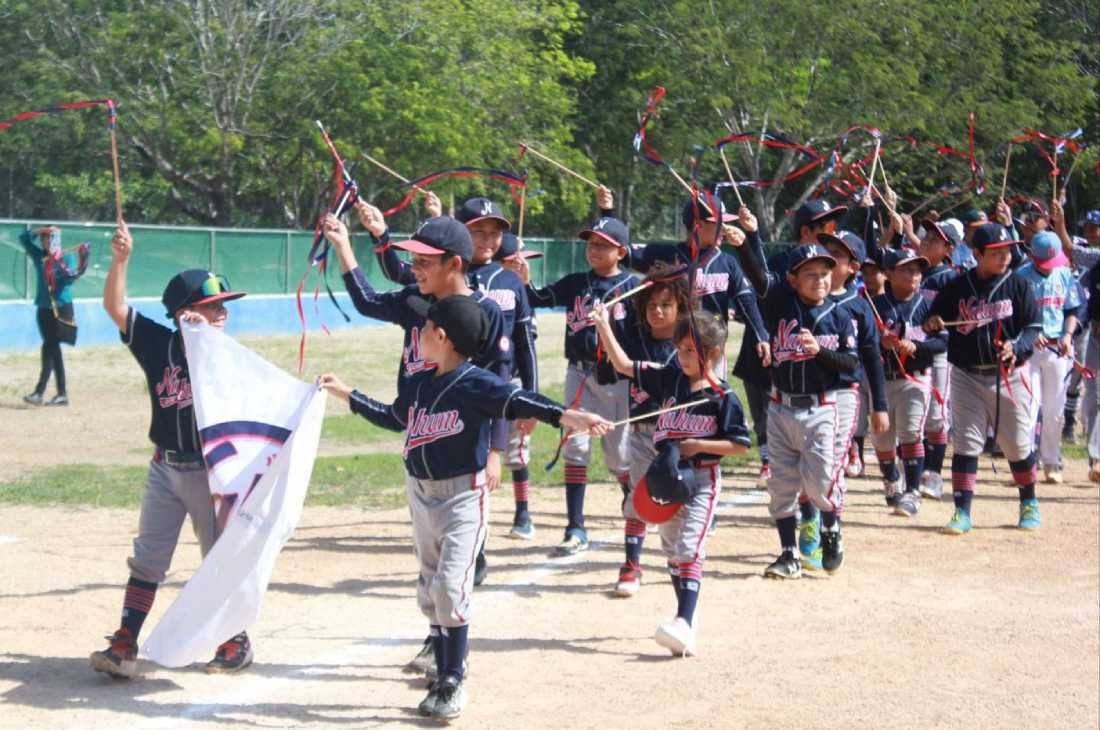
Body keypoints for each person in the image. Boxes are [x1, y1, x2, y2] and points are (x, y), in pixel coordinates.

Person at [318, 294, 610, 720]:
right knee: (430, 584)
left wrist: (568, 416)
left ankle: (453, 678)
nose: (417, 336)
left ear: (441, 336)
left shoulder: (476, 382)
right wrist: (347, 393)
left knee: (451, 585)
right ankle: (441, 661)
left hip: (461, 497)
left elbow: (520, 401)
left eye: (423, 329)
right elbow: (393, 417)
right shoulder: (420, 381)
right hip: (420, 492)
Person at [324, 209, 507, 675]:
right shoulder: (414, 300)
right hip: (420, 434)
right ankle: (436, 640)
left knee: (451, 561)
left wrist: (495, 451)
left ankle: (449, 661)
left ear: (455, 264)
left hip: (464, 445)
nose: (417, 268)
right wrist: (345, 245)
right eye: (416, 260)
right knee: (429, 560)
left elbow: (499, 388)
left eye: (426, 260)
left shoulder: (485, 313)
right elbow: (366, 301)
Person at [90, 221, 255, 679]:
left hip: (210, 471)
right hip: (165, 468)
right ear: (183, 313)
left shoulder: (224, 352)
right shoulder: (157, 345)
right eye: (211, 305)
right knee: (148, 557)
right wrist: (121, 260)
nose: (222, 312)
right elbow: (114, 306)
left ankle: (234, 638)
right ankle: (125, 639)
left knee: (217, 557)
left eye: (223, 305)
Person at [375, 195, 540, 540]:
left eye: (494, 233)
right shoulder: (443, 280)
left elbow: (524, 343)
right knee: (456, 461)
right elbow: (402, 270)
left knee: (509, 455)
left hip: (495, 384)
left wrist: (532, 394)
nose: (487, 240)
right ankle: (461, 540)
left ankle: (516, 515)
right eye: (478, 232)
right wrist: (381, 236)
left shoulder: (509, 280)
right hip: (449, 388)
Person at [591, 302, 750, 654]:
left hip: (702, 483)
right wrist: (603, 324)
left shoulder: (723, 396)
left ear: (713, 354)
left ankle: (683, 620)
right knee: (673, 554)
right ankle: (685, 624)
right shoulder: (669, 378)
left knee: (689, 548)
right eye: (679, 349)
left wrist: (700, 445)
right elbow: (622, 364)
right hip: (666, 481)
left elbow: (740, 445)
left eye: (690, 351)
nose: (681, 356)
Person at [733, 240, 860, 579]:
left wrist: (819, 352)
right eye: (809, 274)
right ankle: (789, 553)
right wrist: (745, 242)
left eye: (824, 273)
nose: (819, 280)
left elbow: (851, 364)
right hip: (780, 407)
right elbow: (758, 277)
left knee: (819, 484)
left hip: (821, 408)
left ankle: (831, 527)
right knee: (782, 487)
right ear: (792, 279)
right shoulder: (778, 305)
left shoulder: (840, 314)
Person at [512, 214, 637, 556]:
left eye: (602, 245)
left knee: (619, 456)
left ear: (621, 252)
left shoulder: (632, 288)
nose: (593, 249)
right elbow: (539, 298)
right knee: (576, 447)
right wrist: (524, 282)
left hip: (616, 380)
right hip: (579, 375)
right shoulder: (576, 282)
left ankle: (632, 499)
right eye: (590, 243)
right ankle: (575, 527)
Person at [923, 223, 1042, 534]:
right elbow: (931, 321)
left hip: (1009, 375)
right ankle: (962, 511)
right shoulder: (957, 286)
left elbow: (1033, 327)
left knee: (1017, 446)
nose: (1004, 255)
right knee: (966, 443)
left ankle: (1028, 501)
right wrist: (933, 322)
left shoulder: (1018, 285)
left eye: (1007, 250)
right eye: (995, 252)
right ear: (976, 254)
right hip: (966, 375)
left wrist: (1019, 345)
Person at [594, 266, 689, 597]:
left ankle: (681, 560)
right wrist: (604, 324)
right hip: (641, 432)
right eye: (652, 305)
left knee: (676, 505)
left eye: (666, 305)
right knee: (638, 497)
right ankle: (632, 565)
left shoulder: (686, 348)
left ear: (681, 309)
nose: (658, 311)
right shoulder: (635, 341)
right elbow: (615, 365)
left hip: (679, 439)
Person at [870, 250, 946, 516]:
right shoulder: (876, 305)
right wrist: (880, 342)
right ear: (889, 274)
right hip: (881, 379)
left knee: (911, 433)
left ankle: (913, 492)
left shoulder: (929, 305)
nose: (913, 275)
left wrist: (918, 345)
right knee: (882, 440)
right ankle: (892, 479)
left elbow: (942, 342)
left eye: (916, 270)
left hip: (915, 378)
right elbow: (862, 343)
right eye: (905, 269)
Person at [1015, 231, 1080, 483]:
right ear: (1032, 255)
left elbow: (1072, 310)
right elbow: (1014, 315)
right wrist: (1031, 332)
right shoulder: (1020, 277)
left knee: (1055, 410)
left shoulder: (1064, 274)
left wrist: (1068, 334)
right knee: (1028, 408)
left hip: (1058, 349)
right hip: (1030, 350)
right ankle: (1026, 462)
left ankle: (1052, 462)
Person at [916, 218, 962, 498]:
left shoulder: (949, 278)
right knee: (913, 413)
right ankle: (914, 471)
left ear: (948, 249)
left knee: (936, 415)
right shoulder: (913, 271)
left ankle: (933, 474)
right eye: (927, 236)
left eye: (936, 239)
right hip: (912, 349)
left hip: (939, 352)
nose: (926, 241)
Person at [19, 225, 89, 406]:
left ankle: (39, 392)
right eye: (44, 238)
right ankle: (62, 394)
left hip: (61, 307)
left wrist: (59, 264)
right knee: (53, 349)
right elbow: (23, 239)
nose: (46, 241)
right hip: (43, 307)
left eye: (49, 237)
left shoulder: (66, 257)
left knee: (49, 347)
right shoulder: (39, 257)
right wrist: (37, 230)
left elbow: (70, 279)